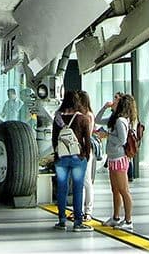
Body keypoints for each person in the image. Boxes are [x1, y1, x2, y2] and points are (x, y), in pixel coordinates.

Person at [51, 90, 93, 232]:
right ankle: (78, 223)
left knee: (61, 190)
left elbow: (54, 140)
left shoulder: (57, 118)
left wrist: (57, 155)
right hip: (78, 158)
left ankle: (62, 221)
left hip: (61, 158)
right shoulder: (82, 119)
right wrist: (85, 156)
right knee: (77, 190)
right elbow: (87, 141)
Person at [96, 93, 137, 229]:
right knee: (115, 189)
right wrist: (104, 107)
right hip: (113, 158)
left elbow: (122, 140)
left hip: (119, 158)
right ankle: (115, 217)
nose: (113, 101)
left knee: (124, 190)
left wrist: (107, 135)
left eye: (116, 100)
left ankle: (128, 221)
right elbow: (97, 119)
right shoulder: (114, 119)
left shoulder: (120, 121)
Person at [76, 91, 97, 222]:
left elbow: (86, 135)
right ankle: (80, 210)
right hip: (80, 151)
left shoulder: (88, 116)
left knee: (86, 181)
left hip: (85, 150)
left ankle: (88, 210)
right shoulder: (81, 115)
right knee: (81, 181)